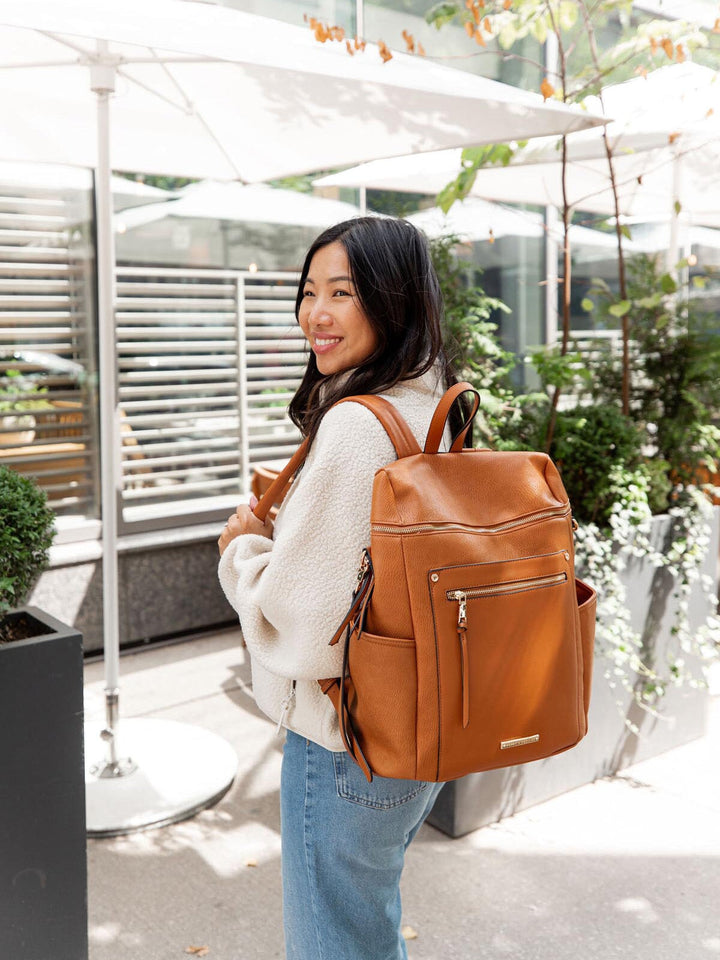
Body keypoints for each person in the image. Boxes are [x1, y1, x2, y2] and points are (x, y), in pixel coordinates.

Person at [217, 216, 469, 960]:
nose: (314, 315)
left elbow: (301, 619)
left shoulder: (359, 426)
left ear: (392, 299)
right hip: (420, 724)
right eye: (308, 291)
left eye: (342, 293)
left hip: (343, 738)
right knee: (365, 922)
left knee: (334, 941)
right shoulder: (436, 407)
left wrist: (244, 553)